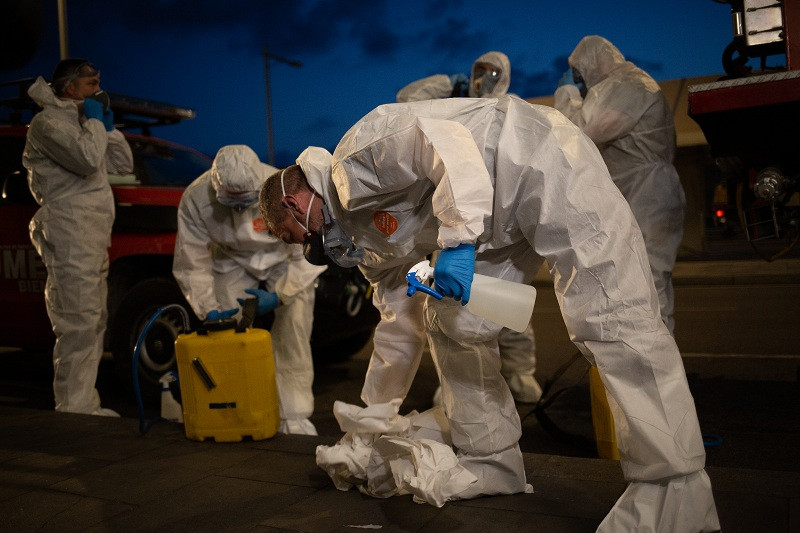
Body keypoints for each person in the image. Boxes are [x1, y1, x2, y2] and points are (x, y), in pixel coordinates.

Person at [260, 95, 720, 531]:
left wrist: (457, 242)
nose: (311, 248)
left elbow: (450, 149)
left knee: (611, 311)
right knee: (453, 323)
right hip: (491, 227)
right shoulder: (364, 242)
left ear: (292, 202)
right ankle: (491, 460)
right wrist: (375, 413)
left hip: (536, 160)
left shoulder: (358, 154)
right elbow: (397, 326)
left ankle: (673, 486)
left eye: (297, 236)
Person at [397, 50, 542, 404]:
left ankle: (520, 372)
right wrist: (446, 85)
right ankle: (458, 380)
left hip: (501, 221)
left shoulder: (511, 109)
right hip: (454, 221)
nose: (483, 78)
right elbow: (405, 102)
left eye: (491, 72)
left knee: (506, 303)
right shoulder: (455, 108)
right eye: (478, 71)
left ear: (504, 75)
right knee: (452, 306)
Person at [173, 144, 326, 435]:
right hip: (230, 260)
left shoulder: (279, 188)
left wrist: (282, 293)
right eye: (233, 204)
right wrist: (209, 309)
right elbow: (191, 261)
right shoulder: (195, 197)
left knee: (293, 327)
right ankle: (233, 406)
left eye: (246, 203)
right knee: (225, 335)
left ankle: (294, 414)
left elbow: (309, 251)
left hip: (284, 257)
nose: (241, 211)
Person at [23, 58, 133, 416]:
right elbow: (87, 159)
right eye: (91, 85)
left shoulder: (84, 121)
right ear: (70, 87)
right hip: (69, 228)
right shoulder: (47, 123)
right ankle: (73, 407)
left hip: (90, 232)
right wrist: (95, 125)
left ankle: (83, 402)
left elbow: (121, 164)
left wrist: (107, 127)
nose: (98, 91)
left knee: (93, 317)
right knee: (77, 319)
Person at [554, 35, 685, 334]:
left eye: (579, 73)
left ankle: (659, 372)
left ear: (591, 63)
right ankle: (647, 366)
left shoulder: (629, 85)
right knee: (634, 285)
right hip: (640, 195)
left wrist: (566, 93)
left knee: (648, 283)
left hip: (648, 196)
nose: (581, 81)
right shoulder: (623, 86)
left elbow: (578, 133)